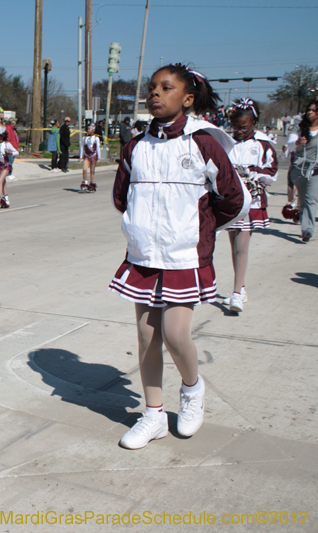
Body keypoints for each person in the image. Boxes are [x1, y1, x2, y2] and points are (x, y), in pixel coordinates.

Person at [109, 63, 249, 450]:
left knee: (174, 334)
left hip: (185, 255)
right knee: (145, 336)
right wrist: (141, 227)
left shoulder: (204, 143)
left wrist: (199, 232)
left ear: (187, 99)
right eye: (152, 87)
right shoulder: (134, 146)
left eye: (166, 88)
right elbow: (122, 198)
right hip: (143, 256)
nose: (155, 93)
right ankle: (153, 413)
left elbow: (233, 199)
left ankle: (192, 390)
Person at [222, 98, 278, 311]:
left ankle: (236, 293)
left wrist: (251, 172)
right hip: (230, 200)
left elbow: (272, 172)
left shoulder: (263, 145)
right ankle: (241, 287)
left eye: (243, 127)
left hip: (251, 199)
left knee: (242, 246)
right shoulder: (227, 142)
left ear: (254, 123)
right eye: (236, 127)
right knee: (233, 244)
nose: (239, 131)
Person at [287, 99, 318, 242]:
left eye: (314, 110)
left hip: (315, 169)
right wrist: (297, 142)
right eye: (309, 109)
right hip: (299, 168)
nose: (310, 112)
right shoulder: (298, 127)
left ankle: (307, 229)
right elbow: (290, 144)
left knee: (311, 199)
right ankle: (304, 223)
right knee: (304, 199)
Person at [79, 124, 101, 192]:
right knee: (84, 169)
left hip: (93, 156)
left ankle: (92, 183)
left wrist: (99, 157)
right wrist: (80, 156)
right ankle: (85, 182)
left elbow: (98, 148)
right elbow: (82, 147)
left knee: (92, 170)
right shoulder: (84, 138)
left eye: (89, 129)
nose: (88, 130)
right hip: (86, 155)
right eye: (88, 129)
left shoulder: (96, 138)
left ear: (93, 130)